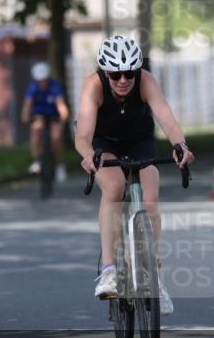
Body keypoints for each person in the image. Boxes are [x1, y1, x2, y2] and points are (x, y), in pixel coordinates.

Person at [74, 35, 195, 315]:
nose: (123, 80)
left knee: (150, 199)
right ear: (105, 71)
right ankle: (108, 270)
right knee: (115, 187)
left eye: (130, 73)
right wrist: (88, 156)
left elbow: (166, 117)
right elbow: (83, 136)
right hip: (104, 145)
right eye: (116, 74)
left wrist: (180, 146)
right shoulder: (93, 85)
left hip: (140, 141)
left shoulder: (146, 81)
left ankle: (155, 277)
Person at [21, 61, 70, 182]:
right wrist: (26, 117)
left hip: (53, 116)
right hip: (39, 115)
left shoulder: (54, 86)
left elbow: (61, 105)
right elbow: (27, 105)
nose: (42, 82)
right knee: (36, 129)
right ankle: (36, 160)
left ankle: (59, 165)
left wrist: (63, 117)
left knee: (56, 137)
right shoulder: (33, 87)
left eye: (44, 79)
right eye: (39, 80)